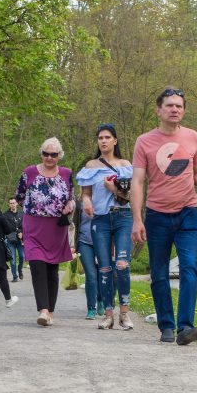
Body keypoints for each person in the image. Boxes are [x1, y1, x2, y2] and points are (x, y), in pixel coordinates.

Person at [131, 87, 197, 345]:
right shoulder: (144, 141)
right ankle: (166, 326)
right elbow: (137, 182)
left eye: (179, 106)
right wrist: (137, 219)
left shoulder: (192, 136)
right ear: (159, 110)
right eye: (169, 105)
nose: (174, 109)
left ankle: (185, 327)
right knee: (158, 272)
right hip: (157, 215)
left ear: (184, 110)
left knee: (189, 266)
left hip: (188, 214)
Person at [77, 124, 135, 330]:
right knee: (104, 268)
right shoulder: (91, 166)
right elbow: (85, 192)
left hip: (123, 217)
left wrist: (114, 188)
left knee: (122, 265)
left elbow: (130, 196)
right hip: (100, 219)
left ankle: (125, 313)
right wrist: (86, 200)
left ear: (115, 141)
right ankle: (108, 315)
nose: (103, 141)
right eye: (100, 138)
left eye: (107, 137)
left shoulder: (125, 165)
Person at [15, 137, 75, 326]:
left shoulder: (66, 174)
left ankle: (50, 311)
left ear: (59, 156)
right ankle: (43, 310)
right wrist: (35, 209)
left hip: (56, 227)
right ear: (41, 154)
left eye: (54, 154)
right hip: (34, 226)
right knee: (37, 266)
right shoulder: (29, 172)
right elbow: (19, 196)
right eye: (46, 154)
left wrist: (70, 206)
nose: (49, 158)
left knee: (51, 270)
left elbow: (72, 198)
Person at [75, 210, 105, 319]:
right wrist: (72, 244)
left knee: (102, 275)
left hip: (103, 242)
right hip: (84, 242)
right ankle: (91, 308)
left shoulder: (105, 199)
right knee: (91, 275)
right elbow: (74, 223)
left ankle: (101, 299)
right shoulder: (81, 203)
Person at [3, 197, 24, 282]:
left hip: (20, 240)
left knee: (22, 257)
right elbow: (6, 227)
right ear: (9, 204)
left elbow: (25, 225)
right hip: (10, 239)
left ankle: (20, 270)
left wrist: (22, 233)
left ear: (17, 204)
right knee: (13, 259)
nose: (12, 204)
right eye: (11, 203)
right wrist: (17, 231)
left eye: (14, 203)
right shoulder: (5, 215)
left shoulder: (22, 214)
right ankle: (15, 276)